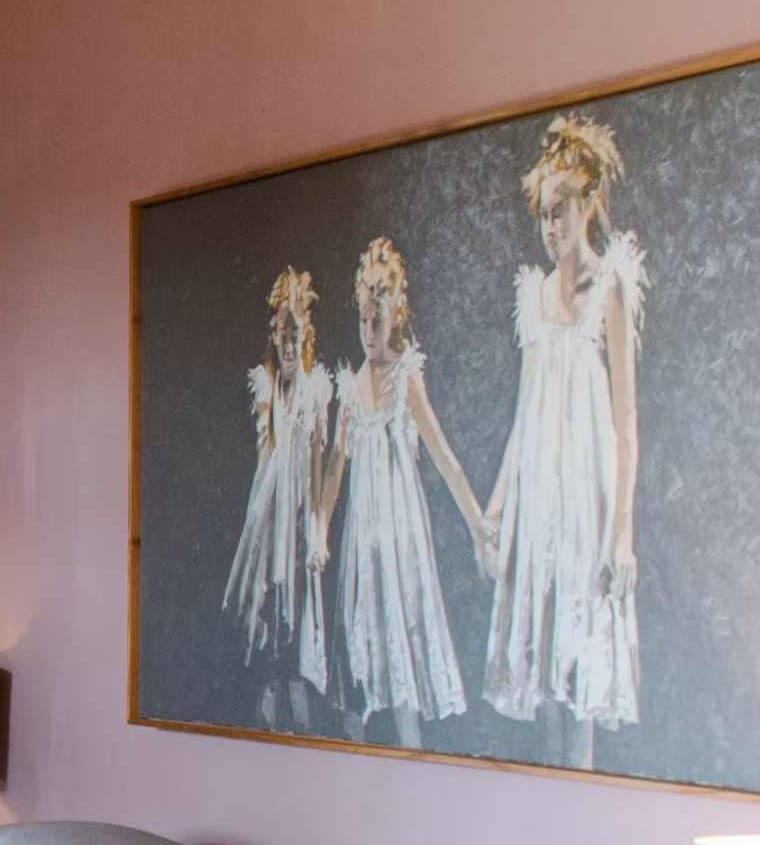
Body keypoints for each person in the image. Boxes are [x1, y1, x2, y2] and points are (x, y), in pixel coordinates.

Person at [482, 109, 648, 761]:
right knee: (540, 672)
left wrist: (622, 536)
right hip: (538, 500)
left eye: (562, 210)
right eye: (544, 214)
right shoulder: (534, 293)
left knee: (581, 666)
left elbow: (626, 420)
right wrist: (496, 508)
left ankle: (582, 792)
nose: (552, 227)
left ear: (589, 203)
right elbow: (525, 418)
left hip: (589, 499)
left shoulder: (611, 286)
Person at [327, 237, 480, 749]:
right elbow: (334, 463)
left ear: (396, 314)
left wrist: (479, 525)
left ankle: (413, 754)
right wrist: (318, 529)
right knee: (367, 655)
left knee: (403, 654)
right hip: (365, 537)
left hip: (401, 535)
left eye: (378, 319)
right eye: (363, 318)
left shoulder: (406, 377)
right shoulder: (351, 386)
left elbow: (443, 457)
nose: (369, 331)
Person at [219, 265, 334, 725]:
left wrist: (314, 531)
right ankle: (266, 706)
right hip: (268, 515)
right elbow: (265, 461)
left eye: (296, 333)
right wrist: (254, 530)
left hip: (299, 513)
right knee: (262, 615)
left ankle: (300, 709)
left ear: (305, 336)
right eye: (283, 333)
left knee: (296, 616)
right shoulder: (267, 389)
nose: (289, 343)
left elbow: (315, 467)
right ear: (274, 334)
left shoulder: (314, 390)